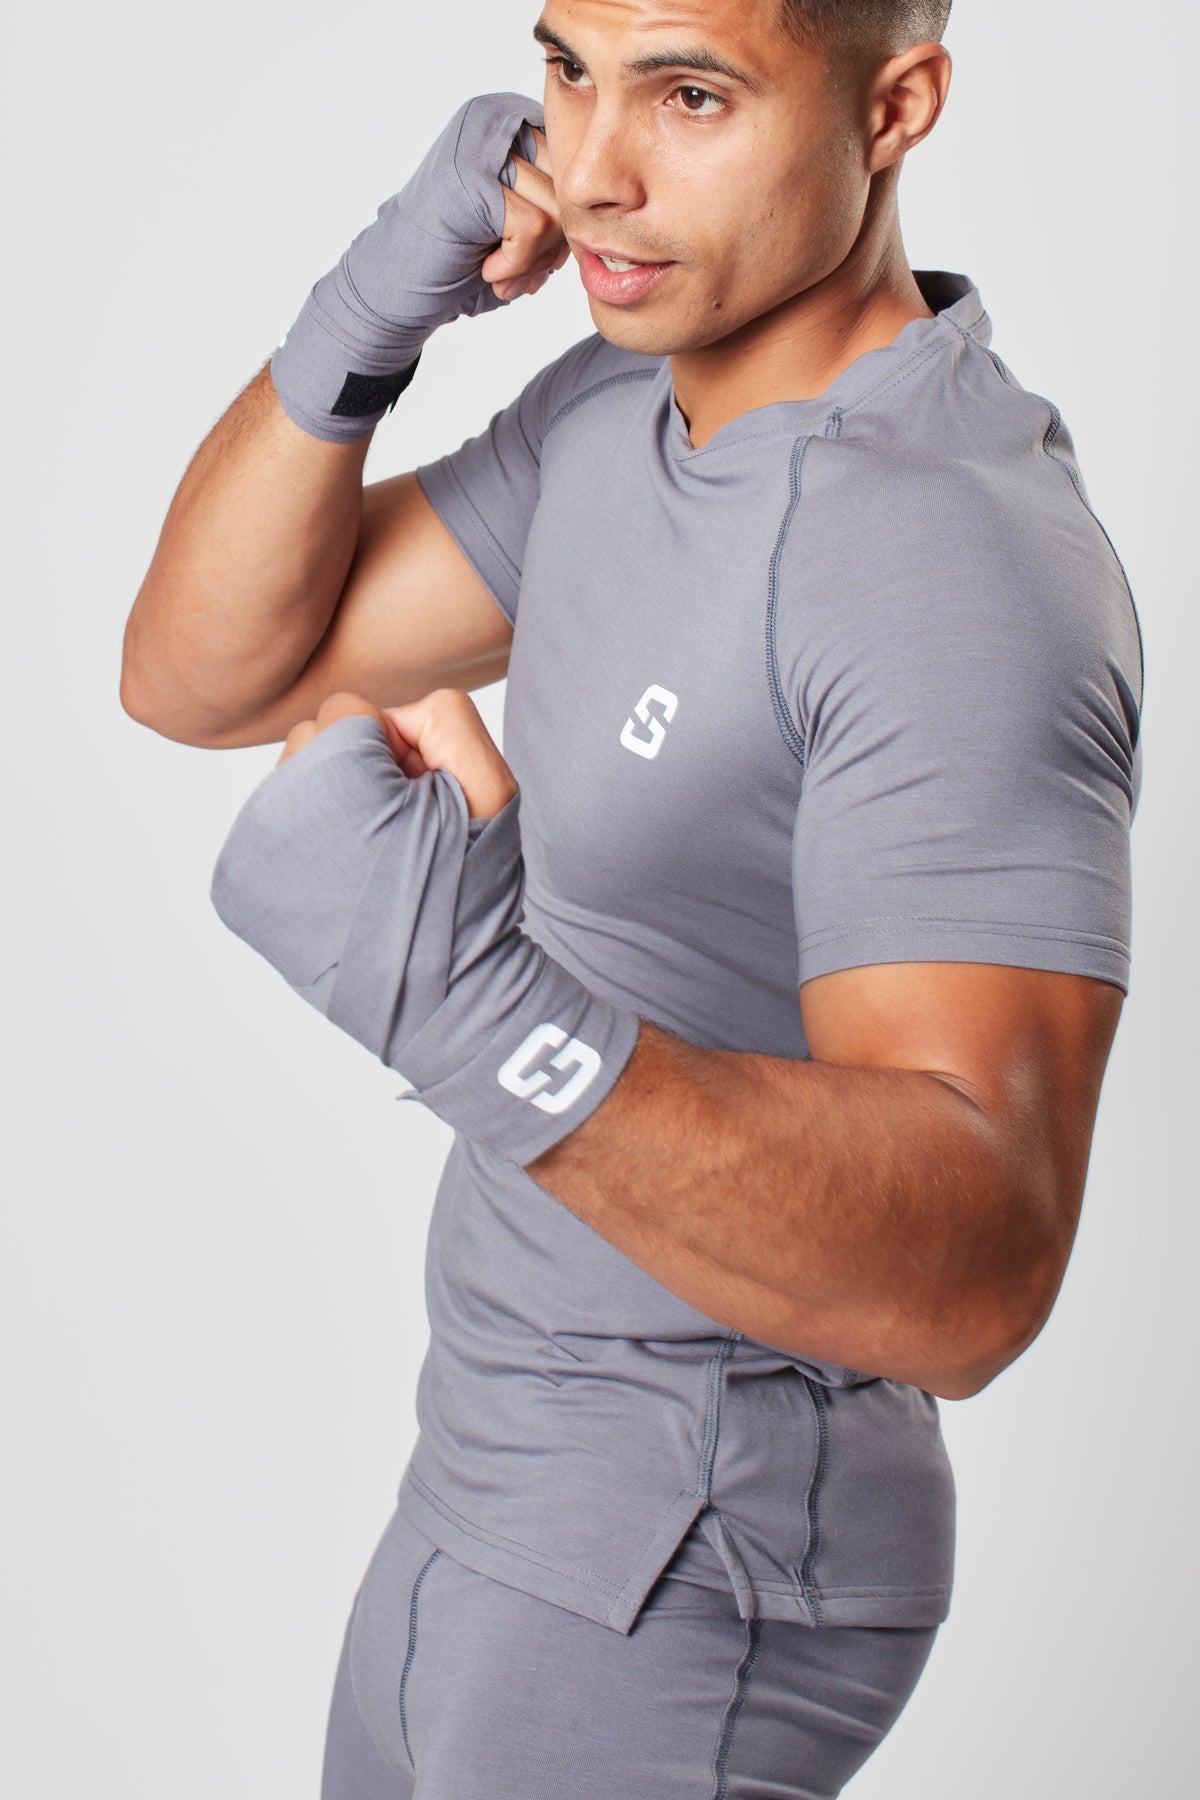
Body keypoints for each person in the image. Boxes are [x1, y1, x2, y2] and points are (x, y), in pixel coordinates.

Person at [120, 0, 1144, 1794]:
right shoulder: (624, 408)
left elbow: (984, 1273)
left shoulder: (946, 557)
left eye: (690, 94)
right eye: (569, 70)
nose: (592, 171)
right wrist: (368, 308)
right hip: (488, 1478)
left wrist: (465, 997)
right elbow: (202, 677)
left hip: (687, 1545)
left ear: (896, 106)